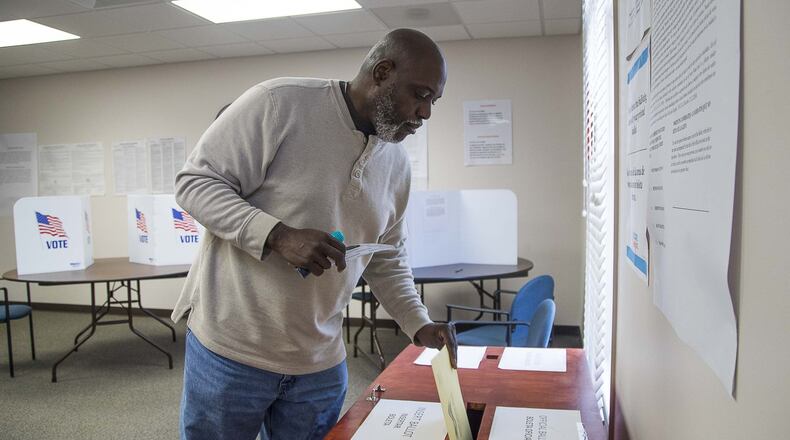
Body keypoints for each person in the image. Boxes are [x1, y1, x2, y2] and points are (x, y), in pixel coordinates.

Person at [171, 28, 458, 440]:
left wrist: (419, 324)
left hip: (319, 366)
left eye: (434, 101)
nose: (426, 112)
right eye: (421, 94)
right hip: (232, 352)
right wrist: (278, 235)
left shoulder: (397, 165)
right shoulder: (278, 104)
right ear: (382, 72)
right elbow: (195, 183)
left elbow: (386, 257)